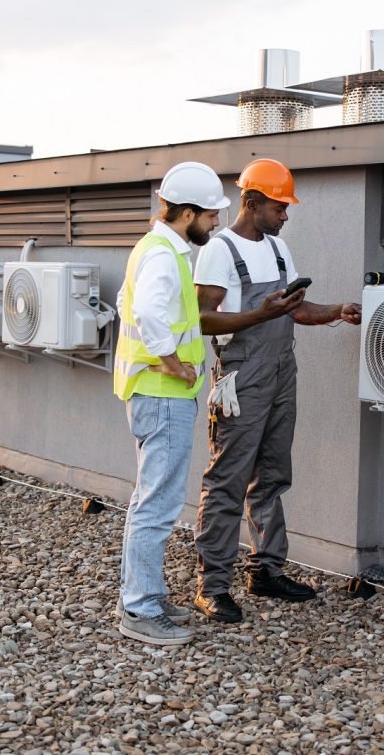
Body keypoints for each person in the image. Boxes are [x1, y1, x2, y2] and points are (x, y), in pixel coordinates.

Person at [191, 158, 361, 623]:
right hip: (242, 373)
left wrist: (337, 310)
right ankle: (213, 584)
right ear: (252, 202)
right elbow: (202, 319)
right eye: (279, 207)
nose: (285, 215)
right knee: (228, 476)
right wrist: (261, 314)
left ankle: (266, 570)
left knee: (271, 472)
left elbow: (295, 311)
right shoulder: (219, 251)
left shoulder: (279, 250)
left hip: (282, 369)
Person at [113, 161, 230, 645]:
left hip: (155, 395)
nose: (216, 223)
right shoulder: (165, 255)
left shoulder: (157, 248)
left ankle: (148, 595)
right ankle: (139, 609)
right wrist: (173, 363)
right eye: (210, 216)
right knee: (157, 504)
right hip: (162, 397)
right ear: (186, 212)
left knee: (152, 499)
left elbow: (125, 303)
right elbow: (144, 312)